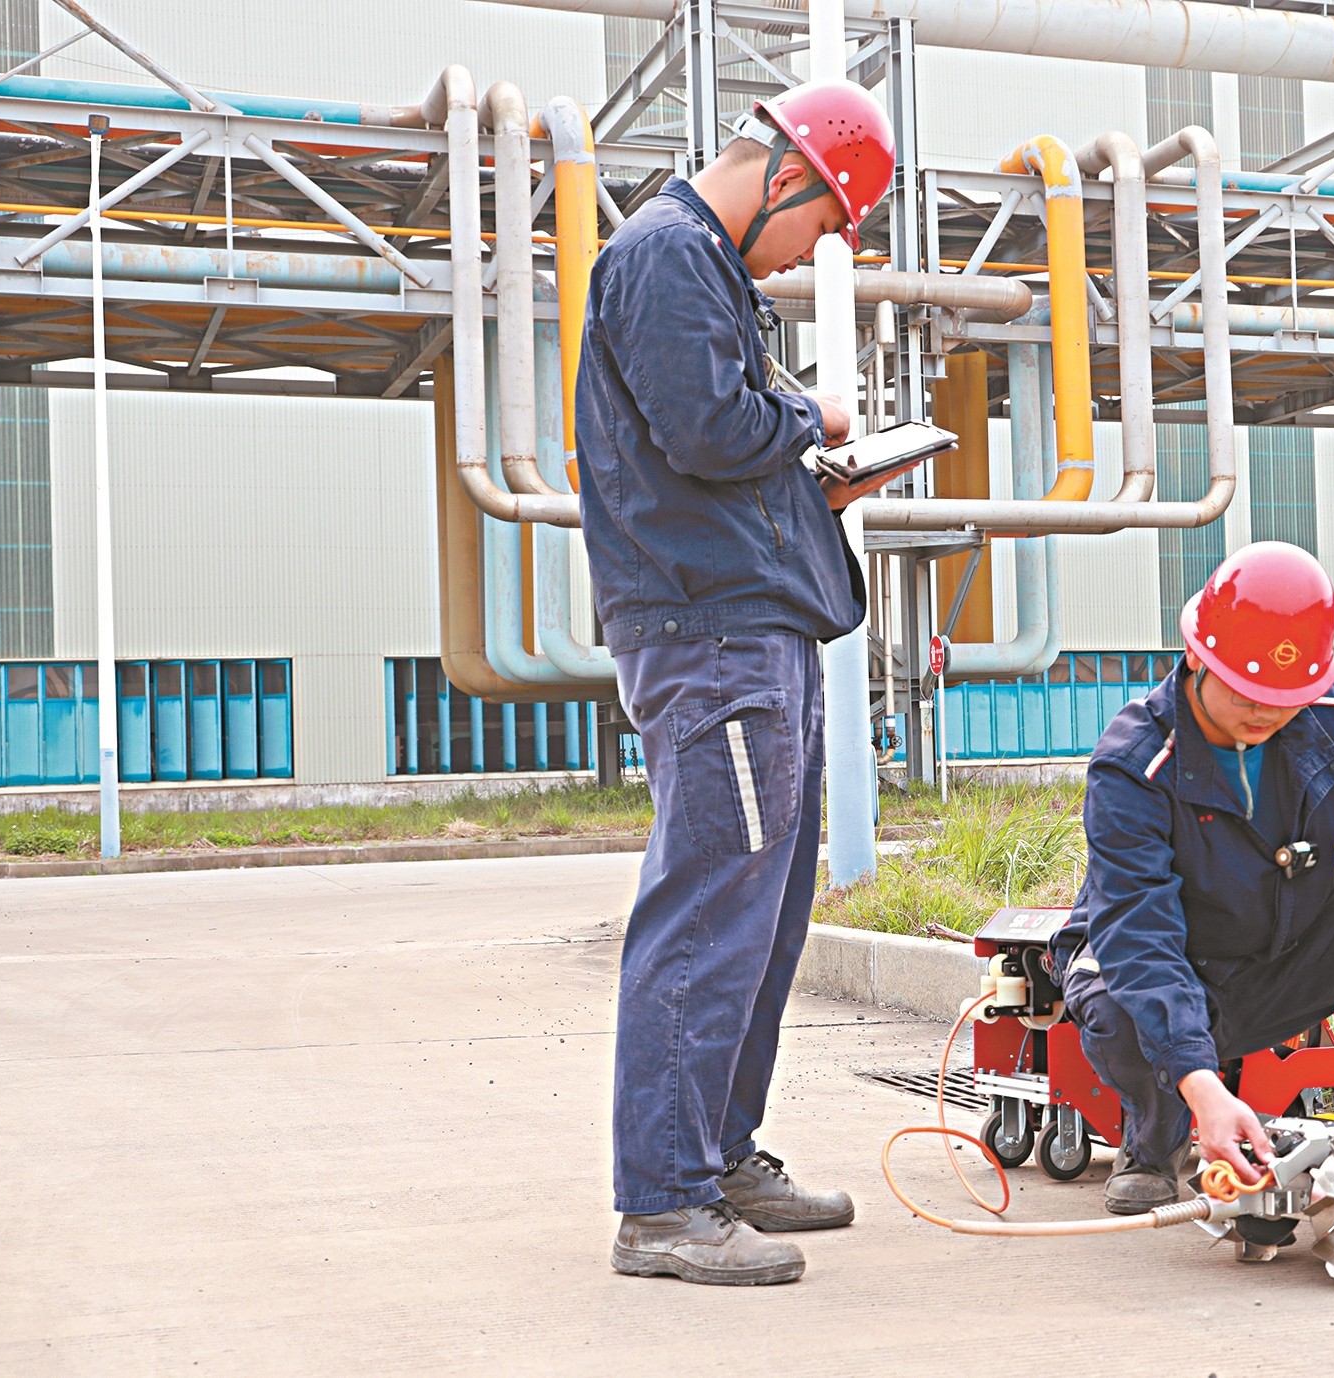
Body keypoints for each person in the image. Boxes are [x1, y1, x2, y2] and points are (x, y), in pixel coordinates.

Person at [575, 80, 899, 1286]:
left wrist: (808, 471)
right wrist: (810, 416)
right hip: (709, 637)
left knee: (762, 918)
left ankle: (714, 1156)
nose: (812, 251)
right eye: (823, 224)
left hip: (751, 629)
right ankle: (664, 1200)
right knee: (712, 911)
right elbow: (711, 432)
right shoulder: (665, 255)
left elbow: (714, 451)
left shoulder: (704, 267)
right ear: (787, 176)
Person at [1047, 542, 1334, 1215]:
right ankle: (1155, 1139)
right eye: (1247, 693)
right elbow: (1141, 937)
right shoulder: (1133, 766)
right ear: (1196, 657)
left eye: (1287, 698)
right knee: (1122, 1001)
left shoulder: (1333, 714)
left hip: (1277, 955)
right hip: (1163, 965)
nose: (1266, 713)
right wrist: (1202, 1085)